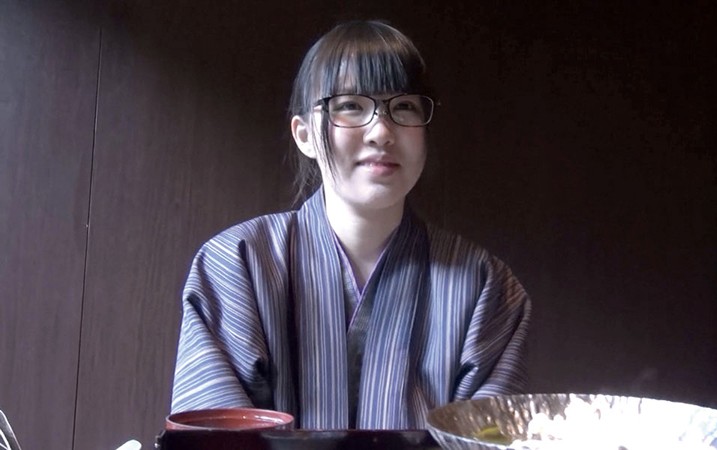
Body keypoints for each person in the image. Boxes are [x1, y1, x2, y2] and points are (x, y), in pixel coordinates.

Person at [170, 19, 532, 430]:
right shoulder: (236, 266)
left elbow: (489, 439)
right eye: (350, 106)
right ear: (304, 135)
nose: (381, 132)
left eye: (404, 107)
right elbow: (213, 438)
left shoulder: (486, 286)